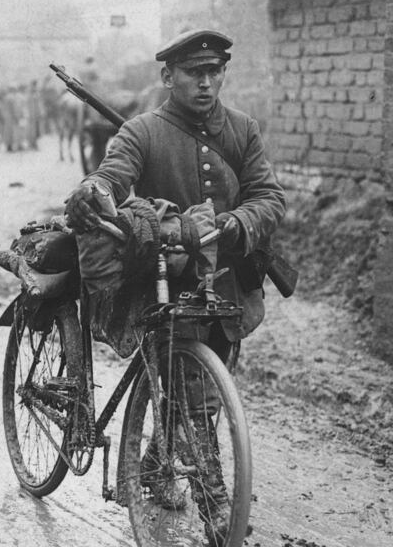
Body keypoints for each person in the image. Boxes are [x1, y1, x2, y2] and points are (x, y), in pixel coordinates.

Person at [65, 29, 285, 545]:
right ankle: (214, 506)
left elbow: (269, 196)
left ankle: (155, 462)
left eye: (214, 73)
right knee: (196, 392)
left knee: (205, 380)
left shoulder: (242, 131)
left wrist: (238, 221)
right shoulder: (142, 131)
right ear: (168, 77)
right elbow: (112, 176)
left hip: (227, 281)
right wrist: (96, 190)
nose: (206, 83)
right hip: (162, 278)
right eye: (194, 74)